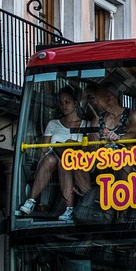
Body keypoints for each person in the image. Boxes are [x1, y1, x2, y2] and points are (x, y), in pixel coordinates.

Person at [17, 86, 86, 222]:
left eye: (67, 102)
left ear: (75, 103)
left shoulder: (85, 124)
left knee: (64, 162)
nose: (63, 106)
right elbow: (44, 147)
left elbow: (88, 150)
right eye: (61, 102)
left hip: (76, 162)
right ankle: (31, 201)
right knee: (50, 160)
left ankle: (69, 208)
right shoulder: (53, 123)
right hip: (53, 158)